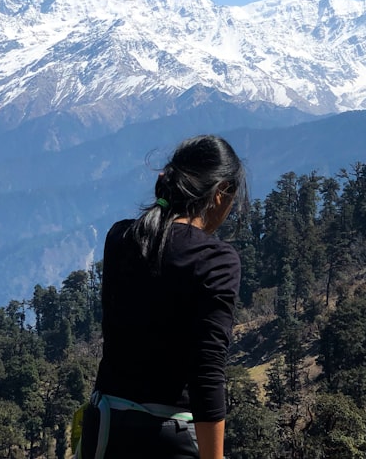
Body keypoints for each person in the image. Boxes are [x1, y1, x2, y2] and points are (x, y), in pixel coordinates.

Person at [76, 134, 246, 459]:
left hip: (104, 431)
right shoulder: (215, 260)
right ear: (221, 193)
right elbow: (207, 374)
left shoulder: (121, 238)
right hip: (168, 440)